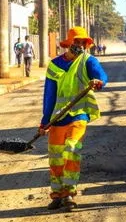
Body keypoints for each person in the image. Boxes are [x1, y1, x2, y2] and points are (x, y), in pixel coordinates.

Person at [39, 26, 107, 211]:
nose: (80, 45)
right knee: (55, 158)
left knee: (72, 150)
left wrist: (99, 82)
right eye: (76, 42)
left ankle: (69, 193)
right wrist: (45, 121)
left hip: (78, 114)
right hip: (57, 118)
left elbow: (101, 76)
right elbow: (49, 95)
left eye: (83, 42)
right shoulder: (54, 65)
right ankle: (57, 195)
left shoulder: (88, 60)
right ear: (68, 43)